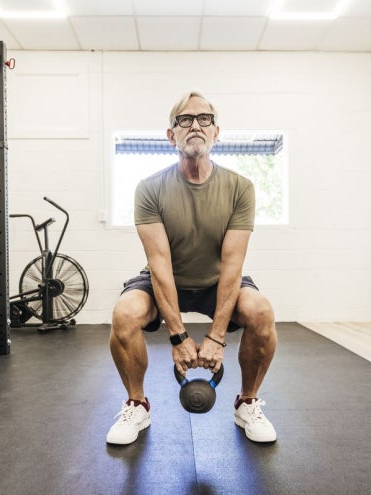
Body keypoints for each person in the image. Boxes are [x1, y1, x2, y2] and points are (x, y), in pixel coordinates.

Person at [106, 91, 278, 445]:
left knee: (261, 311)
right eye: (185, 119)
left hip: (218, 281)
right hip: (166, 279)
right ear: (172, 135)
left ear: (217, 132)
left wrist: (215, 338)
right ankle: (136, 404)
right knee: (124, 313)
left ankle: (247, 402)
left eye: (204, 119)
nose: (195, 125)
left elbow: (232, 265)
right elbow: (160, 266)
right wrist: (179, 337)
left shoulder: (240, 188)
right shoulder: (150, 189)